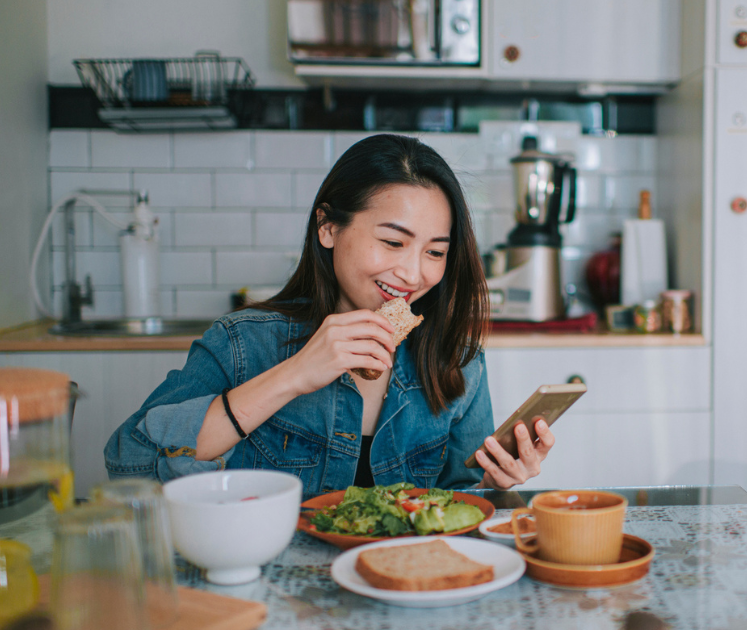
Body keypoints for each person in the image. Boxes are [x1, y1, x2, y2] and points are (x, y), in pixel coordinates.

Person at [104, 134, 555, 497]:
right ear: (328, 227)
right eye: (394, 243)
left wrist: (495, 486)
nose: (413, 274)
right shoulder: (243, 343)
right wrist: (296, 373)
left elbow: (457, 498)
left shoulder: (456, 360)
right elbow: (131, 464)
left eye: (435, 251)